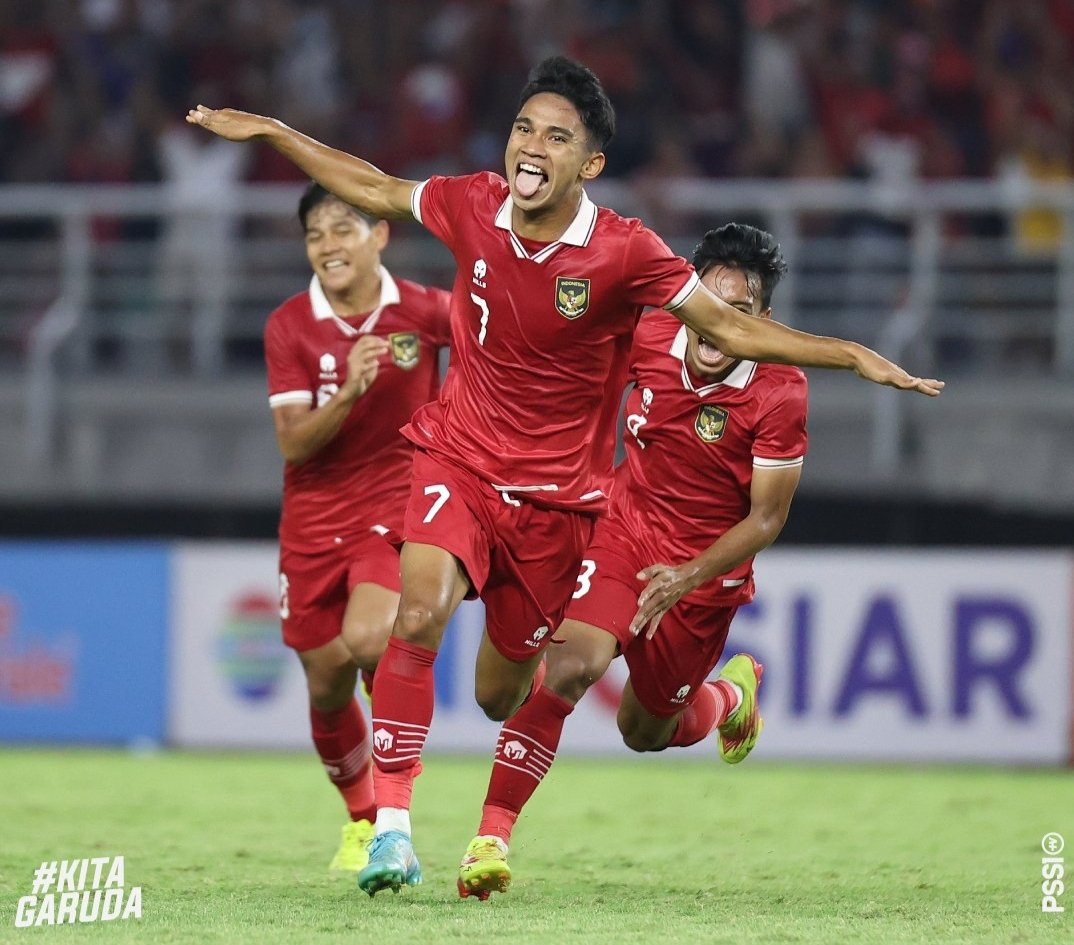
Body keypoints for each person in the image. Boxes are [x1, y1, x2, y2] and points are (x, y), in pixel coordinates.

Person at [187, 55, 943, 897]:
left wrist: (852, 355)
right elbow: (371, 185)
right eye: (522, 128)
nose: (531, 147)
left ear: (589, 163)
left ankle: (726, 699)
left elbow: (733, 328)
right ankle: (390, 829)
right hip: (456, 458)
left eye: (556, 135)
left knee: (506, 694)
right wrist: (275, 132)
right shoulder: (474, 202)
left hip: (558, 502)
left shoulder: (627, 253)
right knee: (420, 610)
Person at [457, 221, 802, 898]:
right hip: (622, 532)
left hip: (704, 577)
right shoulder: (647, 333)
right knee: (569, 664)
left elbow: (767, 516)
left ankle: (731, 695)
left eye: (741, 313)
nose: (720, 325)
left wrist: (689, 576)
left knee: (644, 730)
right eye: (710, 301)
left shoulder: (781, 387)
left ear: (764, 320)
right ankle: (490, 837)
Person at [264, 182, 451, 874]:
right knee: (326, 683)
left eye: (344, 228)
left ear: (380, 236)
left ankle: (395, 802)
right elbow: (293, 444)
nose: (328, 245)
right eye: (316, 235)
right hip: (312, 521)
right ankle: (361, 819)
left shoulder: (426, 310)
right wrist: (347, 391)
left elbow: (499, 348)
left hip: (394, 506)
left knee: (372, 636)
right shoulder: (289, 325)